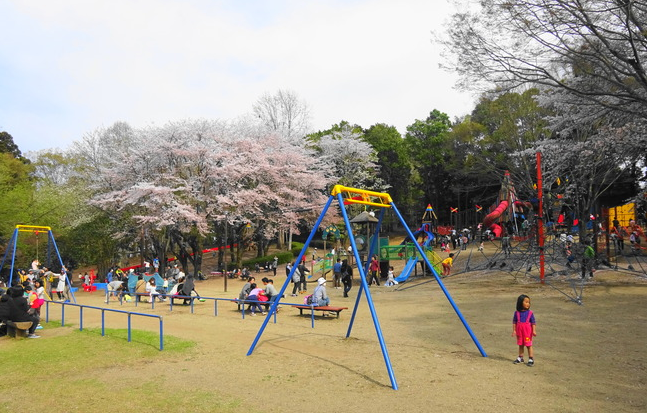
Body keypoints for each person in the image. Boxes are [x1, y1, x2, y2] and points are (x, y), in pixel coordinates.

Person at [512, 294, 537, 366]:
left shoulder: (530, 313)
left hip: (527, 333)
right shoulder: (516, 313)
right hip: (520, 332)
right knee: (520, 345)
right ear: (520, 303)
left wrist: (534, 330)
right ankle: (520, 357)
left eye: (528, 302)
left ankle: (531, 358)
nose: (528, 304)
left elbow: (533, 322)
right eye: (526, 302)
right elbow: (514, 322)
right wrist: (514, 330)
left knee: (528, 345)